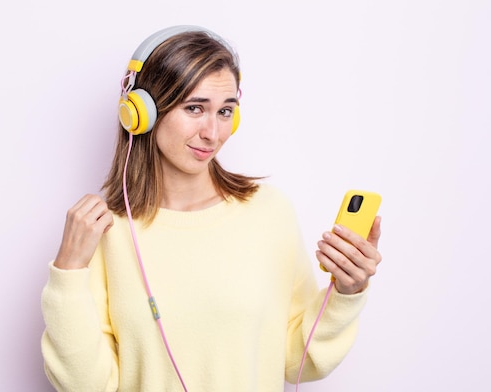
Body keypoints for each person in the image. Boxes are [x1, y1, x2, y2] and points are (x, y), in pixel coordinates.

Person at [40, 25, 382, 392]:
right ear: (141, 113)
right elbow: (85, 385)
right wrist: (68, 272)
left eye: (224, 111)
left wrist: (348, 291)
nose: (213, 133)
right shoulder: (105, 230)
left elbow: (298, 360)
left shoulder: (268, 212)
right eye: (194, 108)